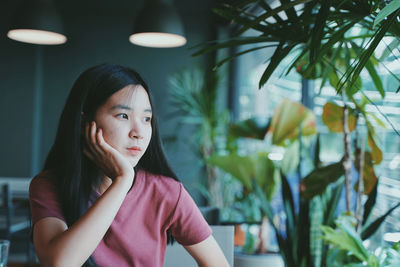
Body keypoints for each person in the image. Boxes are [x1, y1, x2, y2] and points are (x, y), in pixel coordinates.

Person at [29, 63, 230, 267]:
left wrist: (122, 178)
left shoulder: (166, 192)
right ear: (84, 123)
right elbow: (59, 263)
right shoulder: (48, 186)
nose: (139, 132)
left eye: (146, 119)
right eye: (123, 116)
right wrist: (122, 181)